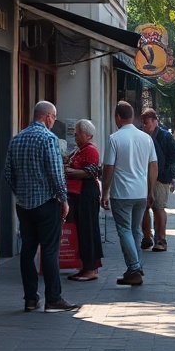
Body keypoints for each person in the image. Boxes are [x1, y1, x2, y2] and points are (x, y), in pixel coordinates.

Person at [3, 101, 79, 312]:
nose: (54, 122)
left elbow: (8, 173)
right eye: (54, 117)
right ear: (47, 116)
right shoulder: (49, 138)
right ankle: (53, 298)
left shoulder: (17, 139)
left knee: (27, 250)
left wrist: (20, 193)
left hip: (23, 205)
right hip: (46, 203)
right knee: (49, 250)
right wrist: (63, 199)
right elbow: (56, 173)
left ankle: (30, 298)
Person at [101, 101, 157, 286]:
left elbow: (109, 167)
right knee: (135, 230)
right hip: (140, 193)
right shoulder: (146, 138)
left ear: (117, 116)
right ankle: (136, 267)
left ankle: (133, 268)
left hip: (122, 193)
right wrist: (150, 190)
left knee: (124, 231)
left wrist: (105, 192)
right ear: (132, 117)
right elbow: (153, 166)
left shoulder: (114, 138)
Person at [63, 119, 103, 282]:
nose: (75, 137)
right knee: (81, 230)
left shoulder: (91, 150)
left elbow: (91, 172)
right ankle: (85, 265)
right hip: (77, 194)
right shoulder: (78, 150)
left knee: (88, 230)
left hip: (86, 194)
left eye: (78, 134)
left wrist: (71, 171)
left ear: (86, 135)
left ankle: (90, 268)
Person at [140, 108, 175, 252]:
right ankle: (147, 237)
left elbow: (173, 156)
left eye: (147, 123)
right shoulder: (142, 136)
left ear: (155, 122)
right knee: (143, 207)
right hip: (143, 176)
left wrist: (168, 174)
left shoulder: (165, 136)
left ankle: (161, 240)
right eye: (143, 123)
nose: (145, 126)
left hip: (161, 177)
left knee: (158, 207)